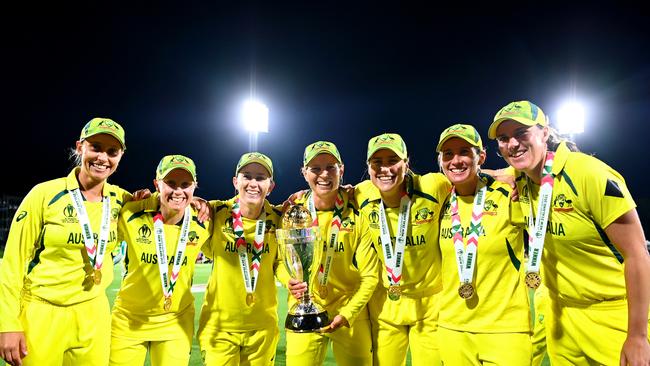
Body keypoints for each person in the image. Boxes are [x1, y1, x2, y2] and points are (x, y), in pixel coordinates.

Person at [489, 100, 650, 365]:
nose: (512, 144)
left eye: (521, 133)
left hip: (612, 313)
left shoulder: (588, 173)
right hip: (560, 318)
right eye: (504, 138)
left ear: (544, 132)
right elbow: (488, 174)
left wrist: (637, 336)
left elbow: (637, 254)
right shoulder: (520, 176)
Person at [0, 118, 131, 366]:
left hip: (94, 314)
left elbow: (167, 206)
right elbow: (13, 262)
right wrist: (7, 323)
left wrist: (197, 204)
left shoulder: (122, 200)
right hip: (42, 312)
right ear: (80, 147)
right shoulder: (45, 194)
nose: (103, 157)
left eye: (112, 151)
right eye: (96, 147)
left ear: (120, 156)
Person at [435, 124, 531, 365]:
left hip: (505, 330)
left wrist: (497, 175)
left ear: (481, 156)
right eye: (448, 154)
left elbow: (537, 168)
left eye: (465, 152)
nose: (456, 160)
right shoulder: (439, 199)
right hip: (452, 328)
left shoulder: (510, 192)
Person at [278, 141, 379, 366]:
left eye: (330, 167)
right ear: (304, 173)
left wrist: (348, 313)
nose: (324, 174)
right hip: (304, 313)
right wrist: (289, 281)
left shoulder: (357, 212)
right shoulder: (293, 212)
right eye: (315, 169)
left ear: (341, 170)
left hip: (350, 313)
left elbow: (370, 275)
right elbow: (279, 260)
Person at [354, 133, 450, 366]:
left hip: (430, 307)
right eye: (377, 162)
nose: (385, 168)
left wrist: (506, 175)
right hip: (386, 307)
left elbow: (470, 178)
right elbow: (326, 197)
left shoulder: (433, 185)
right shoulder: (361, 193)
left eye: (392, 160)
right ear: (368, 167)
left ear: (406, 163)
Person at [110, 155, 212, 366]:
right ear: (157, 183)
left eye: (186, 184)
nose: (178, 191)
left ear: (195, 186)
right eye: (170, 183)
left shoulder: (204, 222)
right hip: (129, 320)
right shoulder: (131, 212)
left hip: (175, 322)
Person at [197, 152, 282, 366]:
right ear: (236, 182)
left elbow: (280, 262)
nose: (253, 183)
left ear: (270, 186)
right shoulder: (215, 212)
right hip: (219, 328)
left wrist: (291, 279)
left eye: (261, 178)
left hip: (262, 329)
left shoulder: (279, 219)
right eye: (247, 176)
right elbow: (175, 204)